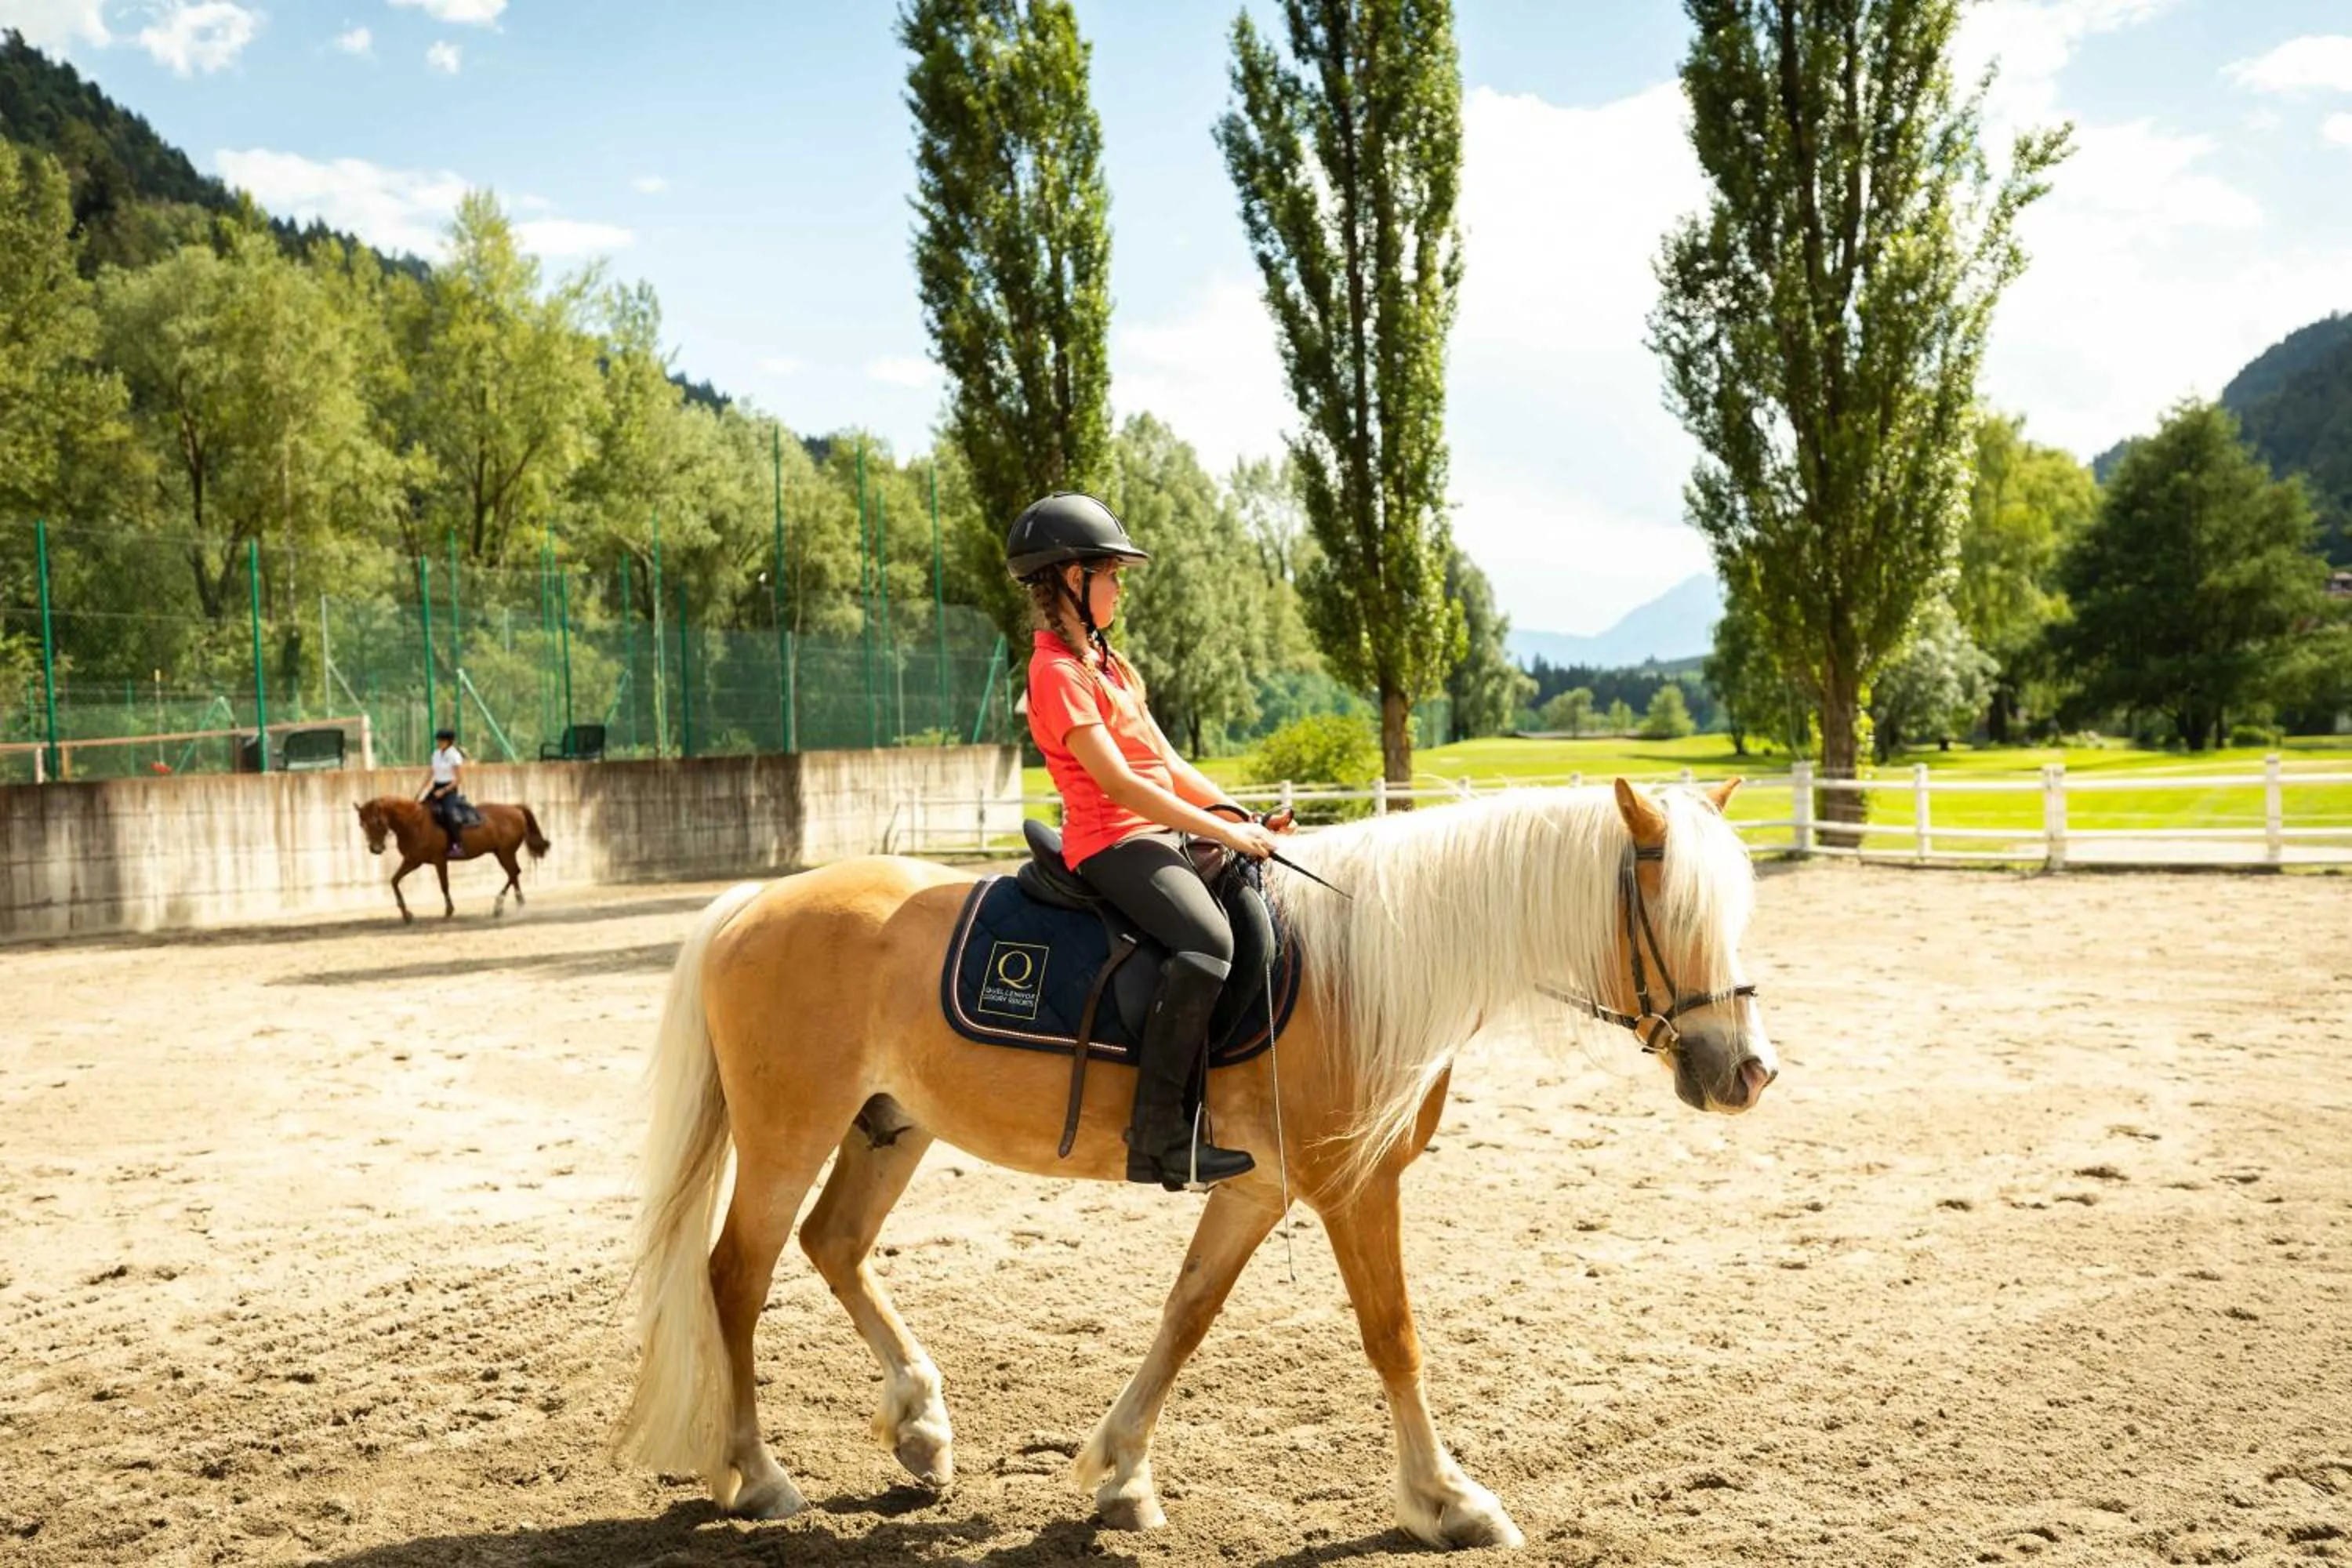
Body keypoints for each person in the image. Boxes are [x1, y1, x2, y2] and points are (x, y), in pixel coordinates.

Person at [1009, 492, 1285, 1191]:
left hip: (1153, 830)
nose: (1119, 587)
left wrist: (1238, 815)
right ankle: (1159, 1136)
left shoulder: (1110, 665)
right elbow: (1120, 785)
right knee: (1206, 942)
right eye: (1111, 574)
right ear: (1072, 579)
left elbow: (1164, 762)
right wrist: (1220, 831)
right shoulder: (1057, 674)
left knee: (1249, 913)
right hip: (1109, 841)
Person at [424, 726, 470, 857]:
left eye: (441, 741)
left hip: (450, 788)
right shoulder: (436, 754)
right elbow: (431, 772)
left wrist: (444, 791)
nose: (439, 743)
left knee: (448, 812)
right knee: (423, 809)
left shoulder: (454, 756)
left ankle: (458, 844)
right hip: (437, 786)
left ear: (449, 742)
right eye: (438, 740)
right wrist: (421, 789)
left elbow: (459, 779)